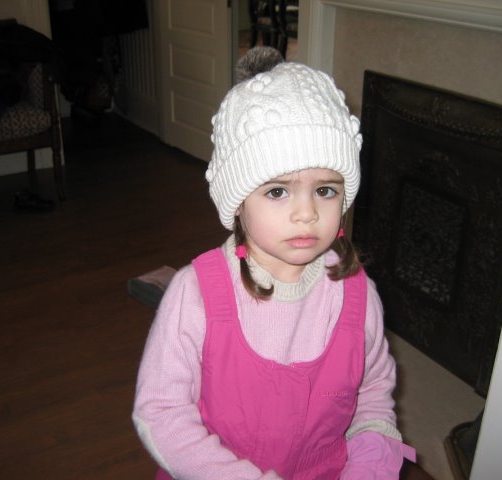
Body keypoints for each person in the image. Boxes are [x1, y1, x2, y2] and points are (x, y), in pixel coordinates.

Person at [133, 47, 415, 479]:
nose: (307, 213)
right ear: (237, 202)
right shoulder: (194, 295)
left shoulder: (358, 296)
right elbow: (161, 412)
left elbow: (373, 396)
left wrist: (368, 469)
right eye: (278, 191)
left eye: (325, 190)